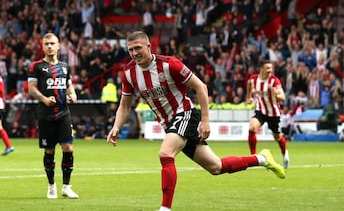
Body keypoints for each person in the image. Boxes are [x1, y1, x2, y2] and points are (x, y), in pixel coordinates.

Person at [107, 31, 286, 211]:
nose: (134, 53)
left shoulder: (169, 64)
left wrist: (205, 120)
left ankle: (165, 209)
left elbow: (201, 86)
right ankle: (262, 159)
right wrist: (116, 127)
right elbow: (124, 105)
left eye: (138, 48)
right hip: (169, 124)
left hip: (184, 114)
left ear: (148, 46)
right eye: (130, 50)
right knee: (216, 167)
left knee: (165, 153)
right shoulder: (129, 73)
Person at [28, 33, 79, 199]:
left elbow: (69, 85)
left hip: (64, 113)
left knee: (68, 148)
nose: (50, 46)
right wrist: (44, 99)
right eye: (46, 44)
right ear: (42, 47)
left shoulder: (64, 67)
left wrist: (73, 95)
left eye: (52, 43)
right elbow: (31, 88)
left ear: (58, 46)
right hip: (45, 114)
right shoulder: (36, 66)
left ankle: (66, 186)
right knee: (49, 151)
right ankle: (51, 186)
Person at [246, 60, 289, 169]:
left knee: (277, 137)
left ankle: (285, 156)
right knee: (252, 128)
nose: (270, 70)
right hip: (260, 111)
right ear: (261, 69)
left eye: (271, 68)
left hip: (274, 113)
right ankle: (253, 157)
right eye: (267, 68)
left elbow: (283, 98)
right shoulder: (254, 79)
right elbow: (249, 84)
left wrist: (276, 95)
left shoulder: (274, 81)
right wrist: (249, 97)